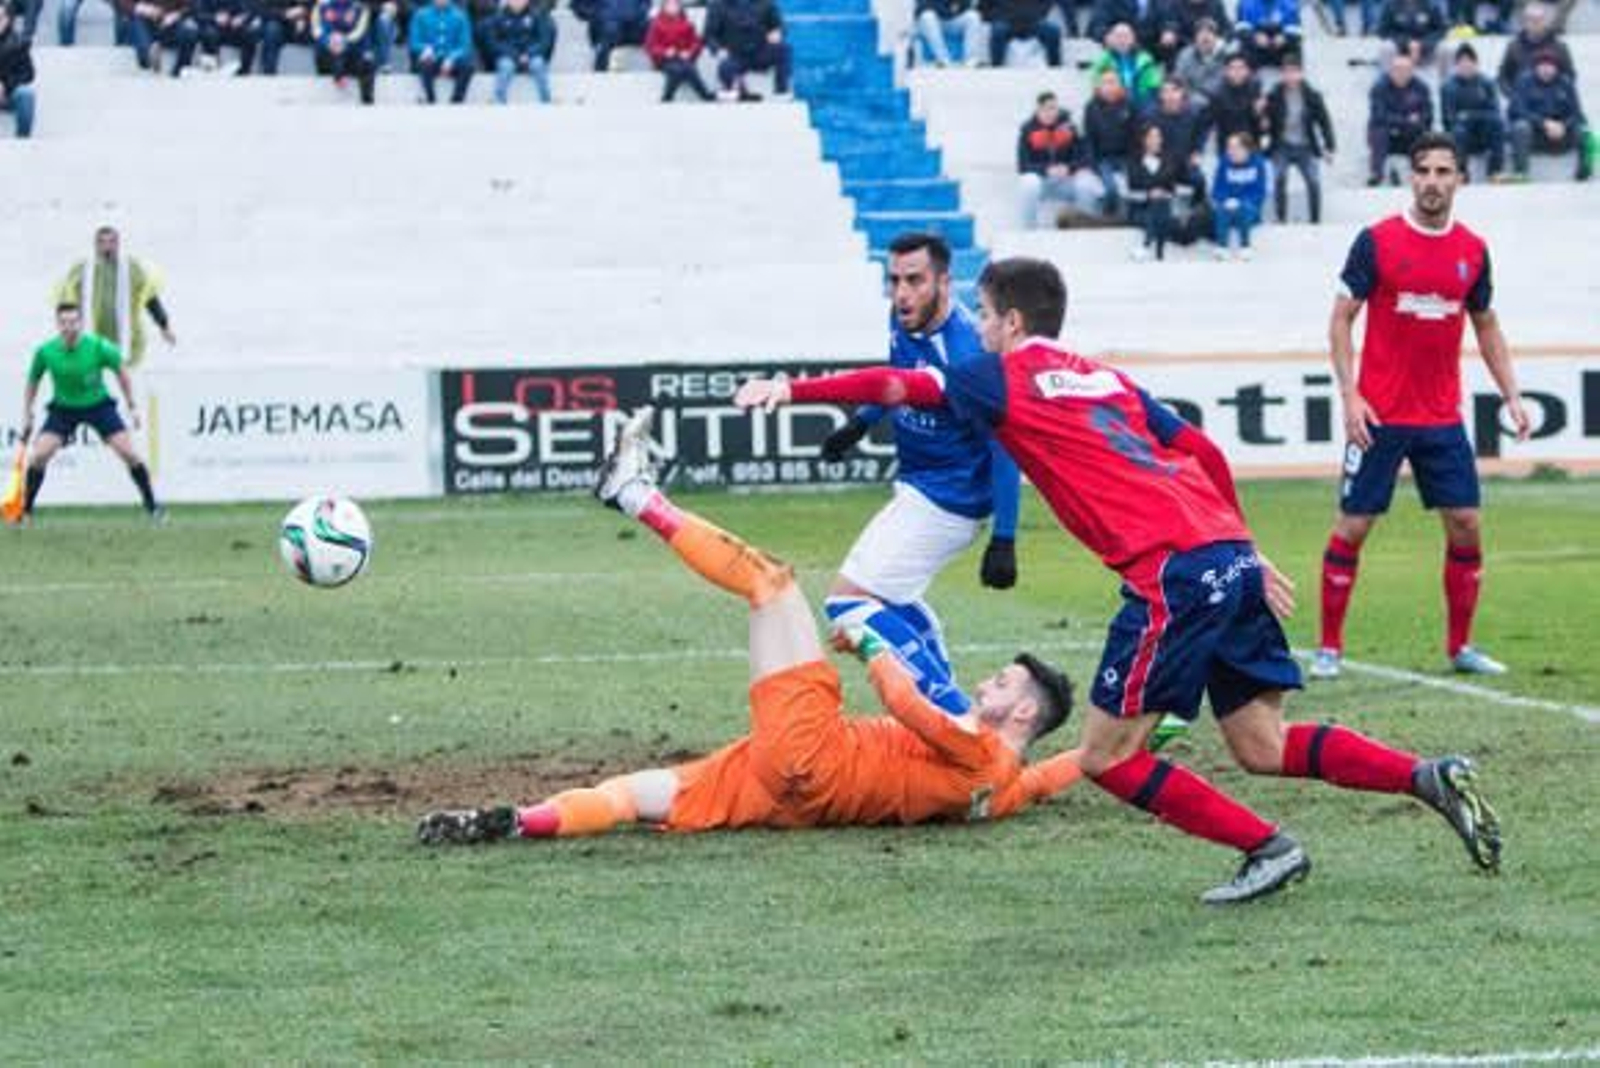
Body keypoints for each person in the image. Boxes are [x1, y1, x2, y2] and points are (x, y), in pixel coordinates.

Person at [733, 257, 1505, 905]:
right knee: (1261, 743)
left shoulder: (998, 376)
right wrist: (1244, 544)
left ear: (1008, 323)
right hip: (1224, 556)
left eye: (981, 313)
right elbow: (1201, 448)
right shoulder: (1103, 379)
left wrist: (792, 391)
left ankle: (1269, 849)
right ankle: (1428, 777)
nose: (976, 326)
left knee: (1107, 756)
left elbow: (900, 386)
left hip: (1171, 575)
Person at [416, 408, 1084, 845]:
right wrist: (1144, 732)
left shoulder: (985, 751)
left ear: (1022, 711)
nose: (984, 683)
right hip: (793, 799)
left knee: (772, 582)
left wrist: (872, 643)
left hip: (816, 752)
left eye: (1001, 682)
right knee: (632, 796)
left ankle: (633, 492)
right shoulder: (1008, 789)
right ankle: (519, 823)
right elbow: (1066, 768)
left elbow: (908, 704)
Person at [1315, 132, 1530, 680]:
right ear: (1411, 178)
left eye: (1444, 171)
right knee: (1354, 527)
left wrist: (1512, 393)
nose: (1433, 181)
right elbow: (1341, 318)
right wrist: (1350, 395)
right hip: (1380, 414)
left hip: (1441, 416)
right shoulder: (1377, 241)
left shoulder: (1473, 251)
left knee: (1465, 523)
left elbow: (1486, 324)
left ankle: (1461, 647)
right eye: (1425, 171)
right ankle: (1329, 649)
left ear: (1460, 179)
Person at [812, 233, 1022, 717]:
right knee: (893, 599)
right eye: (895, 280)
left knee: (847, 604)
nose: (901, 293)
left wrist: (1005, 539)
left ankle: (954, 718)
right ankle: (948, 695)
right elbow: (897, 382)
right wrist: (858, 425)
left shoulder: (970, 353)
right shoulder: (901, 319)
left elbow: (1005, 448)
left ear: (944, 282)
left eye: (915, 280)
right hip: (919, 487)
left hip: (949, 501)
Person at [16, 305, 165, 525]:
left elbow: (121, 370)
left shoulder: (98, 347)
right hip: (63, 409)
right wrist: (27, 412)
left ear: (81, 323)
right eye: (64, 322)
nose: (69, 327)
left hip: (98, 406)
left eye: (74, 321)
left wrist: (132, 405)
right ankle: (26, 512)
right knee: (38, 456)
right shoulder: (46, 352)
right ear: (58, 324)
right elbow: (33, 381)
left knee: (130, 454)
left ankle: (153, 508)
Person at [55, 228, 175, 371]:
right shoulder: (82, 269)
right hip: (91, 337)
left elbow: (150, 298)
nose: (107, 247)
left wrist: (164, 326)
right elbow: (67, 303)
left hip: (126, 339)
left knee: (125, 380)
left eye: (111, 242)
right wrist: (66, 333)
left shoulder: (132, 268)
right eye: (102, 242)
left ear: (118, 244)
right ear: (95, 245)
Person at [1265, 51, 1334, 223]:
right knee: (1279, 177)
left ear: (1301, 73)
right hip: (1282, 145)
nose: (1291, 76)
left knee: (1313, 181)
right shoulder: (1274, 95)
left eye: (1294, 71)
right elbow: (1265, 121)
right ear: (1282, 74)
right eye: (1287, 72)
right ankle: (1280, 218)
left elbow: (1324, 122)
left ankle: (1315, 220)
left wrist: (1329, 147)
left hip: (1306, 145)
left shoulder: (1312, 96)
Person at [1508, 51, 1591, 182]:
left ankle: (1583, 173)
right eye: (1542, 66)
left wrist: (1563, 125)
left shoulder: (1565, 83)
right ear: (1535, 67)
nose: (1546, 69)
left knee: (1584, 130)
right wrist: (1544, 123)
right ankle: (1521, 172)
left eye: (1550, 66)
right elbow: (1518, 109)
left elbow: (1576, 112)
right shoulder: (1524, 82)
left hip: (1562, 133)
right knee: (1520, 127)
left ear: (1556, 68)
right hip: (1536, 134)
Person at [1017, 92, 1097, 226]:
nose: (1050, 113)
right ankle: (1029, 228)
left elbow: (1087, 156)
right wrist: (1046, 170)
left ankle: (1085, 226)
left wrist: (1069, 168)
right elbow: (1023, 166)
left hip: (1066, 179)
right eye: (1045, 109)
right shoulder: (1027, 130)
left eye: (1053, 108)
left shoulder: (1071, 127)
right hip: (1042, 181)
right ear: (1037, 110)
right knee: (1028, 182)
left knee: (1086, 183)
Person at [1366, 53, 1433, 186]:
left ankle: (1423, 174)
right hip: (1387, 133)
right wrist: (1407, 120)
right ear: (1390, 70)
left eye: (1405, 70)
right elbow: (1379, 116)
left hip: (1410, 133)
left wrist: (1412, 121)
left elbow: (1427, 115)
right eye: (1397, 69)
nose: (1401, 73)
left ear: (1412, 71)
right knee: (1379, 131)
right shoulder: (1379, 87)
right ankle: (1376, 174)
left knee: (1424, 133)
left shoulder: (1421, 87)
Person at [704, 0, 790, 102]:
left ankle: (781, 90)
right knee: (725, 68)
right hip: (734, 55)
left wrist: (778, 32)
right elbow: (709, 35)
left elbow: (780, 26)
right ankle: (734, 89)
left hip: (760, 52)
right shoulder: (717, 5)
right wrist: (717, 49)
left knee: (783, 49)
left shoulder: (766, 3)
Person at [1441, 43, 1505, 180]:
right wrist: (1473, 116)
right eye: (1462, 63)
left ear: (1476, 64)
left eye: (1469, 62)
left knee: (1497, 124)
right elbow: (1449, 118)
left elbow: (1495, 111)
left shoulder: (1487, 83)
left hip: (1483, 131)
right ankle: (1462, 172)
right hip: (1462, 134)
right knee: (1458, 131)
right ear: (1456, 66)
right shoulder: (1448, 87)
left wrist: (1469, 115)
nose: (1466, 66)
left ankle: (1495, 171)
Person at [1125, 123, 1182, 260]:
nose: (1155, 140)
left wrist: (1163, 193)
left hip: (1165, 206)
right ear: (1144, 140)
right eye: (1151, 137)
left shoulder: (1170, 159)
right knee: (1157, 209)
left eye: (1158, 136)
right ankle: (1158, 252)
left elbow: (1173, 187)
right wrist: (1149, 194)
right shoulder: (1134, 161)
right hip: (1140, 209)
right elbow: (1132, 189)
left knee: (1160, 205)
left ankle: (1146, 246)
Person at [1083, 68, 1136, 215]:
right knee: (1111, 189)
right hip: (1103, 158)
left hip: (1126, 157)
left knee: (1135, 185)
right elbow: (1089, 138)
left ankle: (1134, 217)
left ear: (1120, 85)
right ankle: (1109, 218)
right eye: (1106, 83)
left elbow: (1136, 135)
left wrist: (1134, 159)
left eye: (1113, 82)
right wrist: (1091, 162)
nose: (1109, 86)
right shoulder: (1091, 107)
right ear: (1099, 86)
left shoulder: (1129, 105)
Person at [1496, 2, 1573, 96]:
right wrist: (1512, 95)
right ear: (1524, 22)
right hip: (1522, 102)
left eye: (1539, 20)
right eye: (1531, 20)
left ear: (1545, 21)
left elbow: (1569, 75)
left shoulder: (1559, 47)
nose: (1535, 23)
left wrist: (1558, 94)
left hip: (1552, 103)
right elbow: (1503, 76)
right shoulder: (1513, 47)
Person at [1211, 131, 1266, 259]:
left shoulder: (1257, 164)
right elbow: (1217, 189)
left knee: (1245, 208)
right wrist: (1226, 200)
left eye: (1235, 147)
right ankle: (1221, 246)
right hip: (1227, 206)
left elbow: (1259, 192)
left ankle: (1245, 245)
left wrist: (1240, 201)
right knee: (1222, 209)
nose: (1231, 151)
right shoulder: (1224, 163)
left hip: (1249, 207)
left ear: (1246, 149)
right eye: (1229, 147)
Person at [644, 0, 712, 103]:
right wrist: (665, 52)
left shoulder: (687, 23)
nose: (673, 8)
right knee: (676, 70)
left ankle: (704, 95)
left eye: (675, 5)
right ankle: (667, 96)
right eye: (669, 5)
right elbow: (650, 46)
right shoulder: (656, 23)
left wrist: (689, 52)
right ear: (664, 7)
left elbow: (696, 42)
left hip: (683, 57)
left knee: (689, 68)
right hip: (664, 60)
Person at [487, 0, 553, 104]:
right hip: (509, 56)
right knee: (505, 67)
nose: (517, 2)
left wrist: (529, 54)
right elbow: (494, 42)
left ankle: (546, 101)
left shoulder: (536, 15)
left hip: (531, 55)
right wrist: (514, 55)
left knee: (539, 64)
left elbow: (544, 40)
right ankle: (499, 102)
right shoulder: (499, 17)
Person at [408, 0, 473, 104]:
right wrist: (425, 48)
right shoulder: (420, 14)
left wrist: (452, 58)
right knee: (424, 65)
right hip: (430, 58)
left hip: (452, 59)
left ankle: (456, 101)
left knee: (468, 66)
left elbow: (465, 45)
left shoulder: (460, 15)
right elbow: (413, 42)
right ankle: (431, 100)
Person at [312, 0, 376, 104]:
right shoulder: (322, 5)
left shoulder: (360, 7)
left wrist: (344, 40)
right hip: (330, 51)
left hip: (351, 51)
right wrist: (328, 40)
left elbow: (359, 31)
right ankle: (338, 76)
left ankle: (367, 101)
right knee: (328, 53)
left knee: (367, 61)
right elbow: (317, 30)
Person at [1088, 22, 1159, 108]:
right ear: (1112, 39)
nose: (1122, 40)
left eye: (1126, 36)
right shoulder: (1102, 61)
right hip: (1113, 107)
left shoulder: (1146, 59)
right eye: (1118, 36)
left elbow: (1153, 88)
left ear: (1133, 39)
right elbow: (1097, 87)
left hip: (1141, 105)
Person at [1207, 53, 1266, 154]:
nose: (1237, 72)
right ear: (1226, 71)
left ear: (1248, 71)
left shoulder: (1255, 86)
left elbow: (1259, 123)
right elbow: (1218, 124)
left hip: (1251, 141)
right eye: (1233, 68)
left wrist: (1259, 113)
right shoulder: (1217, 92)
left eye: (1241, 68)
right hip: (1228, 143)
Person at [125, 0, 201, 77]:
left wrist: (177, 14)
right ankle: (149, 56)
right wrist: (140, 8)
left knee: (190, 33)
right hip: (145, 20)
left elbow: (190, 5)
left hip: (171, 21)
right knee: (144, 55)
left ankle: (179, 69)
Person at [1146, 77, 1206, 170]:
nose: (1170, 95)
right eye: (1165, 91)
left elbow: (1200, 136)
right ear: (1160, 95)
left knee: (1199, 180)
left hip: (1185, 164)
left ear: (1182, 92)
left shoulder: (1194, 114)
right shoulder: (1151, 116)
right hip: (1160, 165)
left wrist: (1197, 152)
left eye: (1174, 90)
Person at [982, 0, 1063, 68]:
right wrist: (997, 16)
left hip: (1033, 21)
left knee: (1053, 31)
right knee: (998, 31)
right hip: (1006, 21)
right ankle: (997, 68)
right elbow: (984, 7)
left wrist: (1038, 13)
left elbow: (1047, 2)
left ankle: (1055, 68)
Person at [571, 0, 647, 73]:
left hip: (634, 29)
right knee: (609, 34)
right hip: (606, 33)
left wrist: (638, 14)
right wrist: (595, 14)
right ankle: (600, 77)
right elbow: (578, 6)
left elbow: (646, 4)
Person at [195, 0, 262, 74]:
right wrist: (215, 18)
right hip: (214, 27)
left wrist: (242, 18)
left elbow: (253, 10)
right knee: (210, 34)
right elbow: (198, 14)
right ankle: (211, 69)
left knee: (250, 33)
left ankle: (244, 70)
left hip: (235, 27)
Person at [1376, 0, 1448, 68]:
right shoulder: (1390, 4)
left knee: (1446, 47)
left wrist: (1422, 44)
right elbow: (1383, 31)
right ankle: (1388, 78)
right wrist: (1407, 42)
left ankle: (1445, 79)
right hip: (1399, 47)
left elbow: (1441, 30)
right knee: (1386, 47)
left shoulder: (1431, 4)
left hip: (1427, 47)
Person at [1172, 16, 1225, 106]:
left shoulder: (1225, 55)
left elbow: (1219, 84)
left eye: (1209, 32)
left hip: (1216, 103)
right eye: (1200, 32)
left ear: (1216, 37)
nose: (1205, 36)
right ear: (1195, 37)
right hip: (1188, 101)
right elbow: (1178, 80)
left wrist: (1197, 96)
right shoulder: (1185, 54)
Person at [0, 5, 35, 140]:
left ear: (7, 20)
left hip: (7, 95)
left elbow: (29, 74)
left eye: (0, 18)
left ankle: (22, 139)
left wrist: (5, 85)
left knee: (26, 94)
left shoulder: (18, 42)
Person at [915, 0, 983, 67]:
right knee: (927, 16)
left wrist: (957, 6)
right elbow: (923, 6)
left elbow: (967, 4)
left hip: (953, 19)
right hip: (934, 20)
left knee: (973, 16)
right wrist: (946, 7)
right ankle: (943, 60)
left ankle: (971, 60)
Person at [1234, 0, 1298, 69]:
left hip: (1281, 51)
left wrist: (1285, 37)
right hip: (1255, 51)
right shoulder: (1245, 3)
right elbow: (1240, 28)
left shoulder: (1290, 2)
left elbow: (1296, 29)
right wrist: (1254, 36)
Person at [259, 0, 314, 74]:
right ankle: (269, 73)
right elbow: (264, 11)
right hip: (283, 26)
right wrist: (286, 13)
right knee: (272, 28)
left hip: (309, 25)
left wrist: (304, 14)